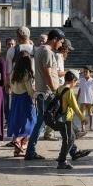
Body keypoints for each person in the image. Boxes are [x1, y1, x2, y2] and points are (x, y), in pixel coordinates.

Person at [25, 29, 64, 161]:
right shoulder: (47, 51)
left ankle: (30, 151)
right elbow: (47, 73)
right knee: (57, 120)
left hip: (43, 92)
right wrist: (54, 89)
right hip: (47, 93)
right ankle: (72, 148)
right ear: (55, 39)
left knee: (43, 122)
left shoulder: (40, 50)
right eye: (61, 42)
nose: (61, 45)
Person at [53, 71, 91, 170]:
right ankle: (61, 160)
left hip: (59, 118)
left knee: (68, 138)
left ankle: (73, 153)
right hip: (66, 119)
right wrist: (83, 118)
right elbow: (75, 107)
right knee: (70, 139)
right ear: (73, 80)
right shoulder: (69, 91)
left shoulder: (59, 88)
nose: (75, 84)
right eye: (75, 82)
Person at [7, 51, 37, 156]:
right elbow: (30, 90)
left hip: (15, 98)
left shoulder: (13, 73)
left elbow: (10, 86)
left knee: (18, 122)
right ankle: (18, 139)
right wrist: (36, 94)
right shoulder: (26, 74)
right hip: (25, 99)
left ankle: (17, 150)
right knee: (32, 121)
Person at [77, 66, 93, 132]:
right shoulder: (81, 80)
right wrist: (77, 98)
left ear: (90, 72)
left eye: (86, 72)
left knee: (91, 114)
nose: (85, 73)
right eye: (84, 72)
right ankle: (83, 127)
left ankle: (91, 127)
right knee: (82, 114)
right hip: (82, 100)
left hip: (90, 100)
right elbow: (79, 90)